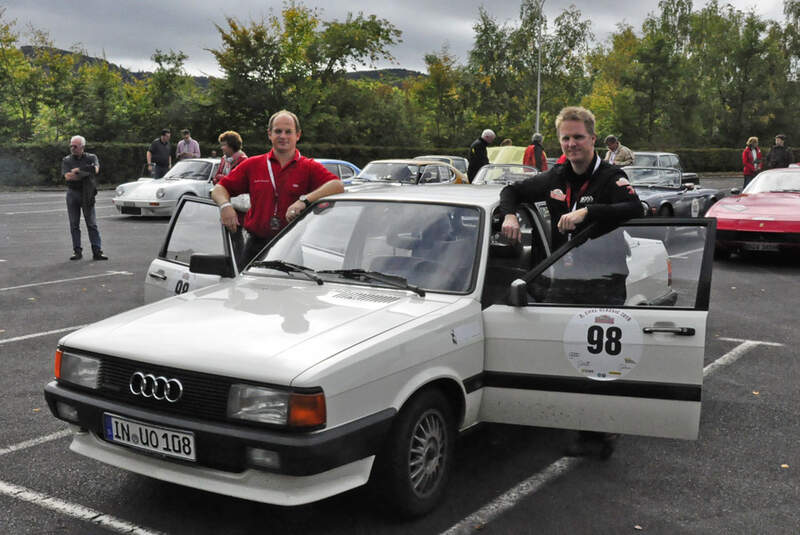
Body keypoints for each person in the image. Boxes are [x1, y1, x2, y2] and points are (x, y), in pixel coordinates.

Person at [499, 106, 641, 459]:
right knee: (561, 349)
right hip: (562, 276)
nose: (572, 143)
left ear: (593, 139)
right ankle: (561, 417)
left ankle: (597, 434)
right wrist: (510, 215)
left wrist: (588, 212)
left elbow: (635, 209)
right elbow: (511, 191)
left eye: (578, 137)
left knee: (598, 361)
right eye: (565, 138)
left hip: (603, 280)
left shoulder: (611, 176)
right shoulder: (556, 176)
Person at [211, 110, 344, 267]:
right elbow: (219, 189)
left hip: (290, 248)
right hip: (255, 247)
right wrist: (225, 206)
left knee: (287, 293)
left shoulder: (308, 167)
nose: (283, 136)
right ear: (269, 134)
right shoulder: (252, 165)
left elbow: (337, 185)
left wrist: (304, 201)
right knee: (244, 291)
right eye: (278, 131)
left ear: (298, 135)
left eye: (288, 132)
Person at [62, 135, 107, 261]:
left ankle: (97, 250)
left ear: (82, 147)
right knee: (74, 224)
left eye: (75, 146)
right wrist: (86, 173)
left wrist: (78, 170)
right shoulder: (67, 160)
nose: (72, 148)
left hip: (87, 192)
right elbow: (68, 177)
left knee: (92, 223)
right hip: (73, 192)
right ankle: (77, 251)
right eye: (71, 145)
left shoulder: (92, 157)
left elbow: (96, 170)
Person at [213, 131, 248, 258]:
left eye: (224, 145)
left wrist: (222, 179)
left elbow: (239, 182)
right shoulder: (224, 159)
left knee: (236, 234)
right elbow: (217, 176)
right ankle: (232, 258)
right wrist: (222, 179)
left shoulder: (243, 161)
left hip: (238, 204)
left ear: (232, 145)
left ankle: (239, 262)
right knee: (228, 235)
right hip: (226, 201)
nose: (222, 148)